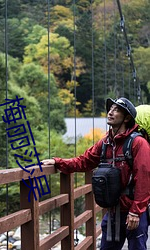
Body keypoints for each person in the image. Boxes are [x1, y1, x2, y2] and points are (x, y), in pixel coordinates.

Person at [42, 97, 150, 250]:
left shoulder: (139, 144)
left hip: (133, 212)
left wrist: (136, 212)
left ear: (126, 118)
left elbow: (144, 180)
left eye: (116, 110)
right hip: (113, 211)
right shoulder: (105, 143)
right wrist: (58, 162)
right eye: (110, 109)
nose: (110, 112)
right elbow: (84, 161)